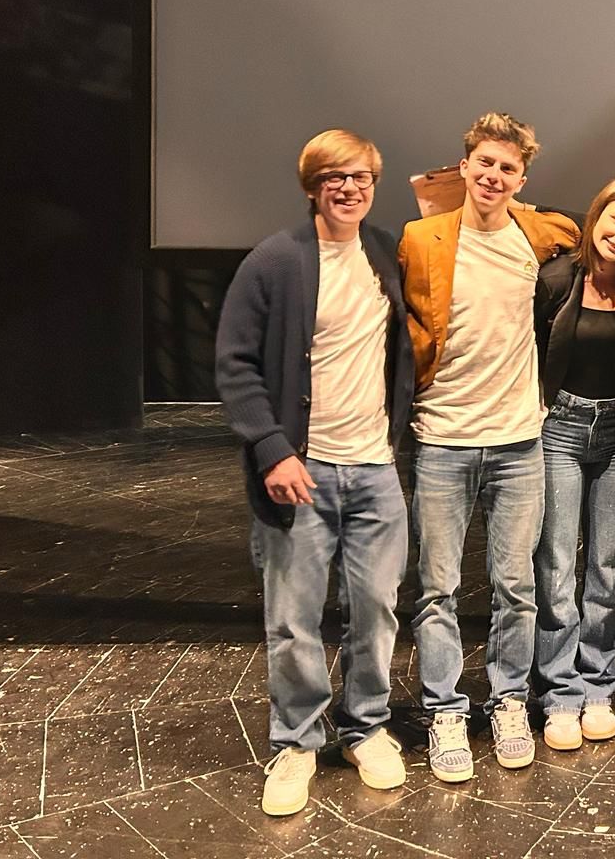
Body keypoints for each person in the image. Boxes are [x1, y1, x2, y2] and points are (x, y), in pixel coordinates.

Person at [216, 128, 414, 816]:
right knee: (295, 619)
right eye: (335, 177)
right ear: (312, 186)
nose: (349, 188)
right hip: (302, 470)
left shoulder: (386, 252)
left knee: (377, 610)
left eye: (361, 177)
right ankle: (297, 740)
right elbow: (235, 363)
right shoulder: (275, 260)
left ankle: (366, 729)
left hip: (375, 469)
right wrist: (272, 449)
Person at [398, 112, 580, 783]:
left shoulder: (537, 234)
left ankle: (508, 702)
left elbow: (582, 228)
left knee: (517, 586)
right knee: (438, 589)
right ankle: (445, 710)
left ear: (522, 179)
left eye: (508, 168)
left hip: (518, 442)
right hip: (443, 438)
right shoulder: (421, 237)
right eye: (484, 163)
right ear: (464, 166)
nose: (494, 176)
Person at [530, 176, 615, 751]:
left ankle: (596, 684)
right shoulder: (557, 279)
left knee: (610, 567)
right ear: (595, 216)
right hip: (559, 428)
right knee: (557, 565)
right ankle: (558, 691)